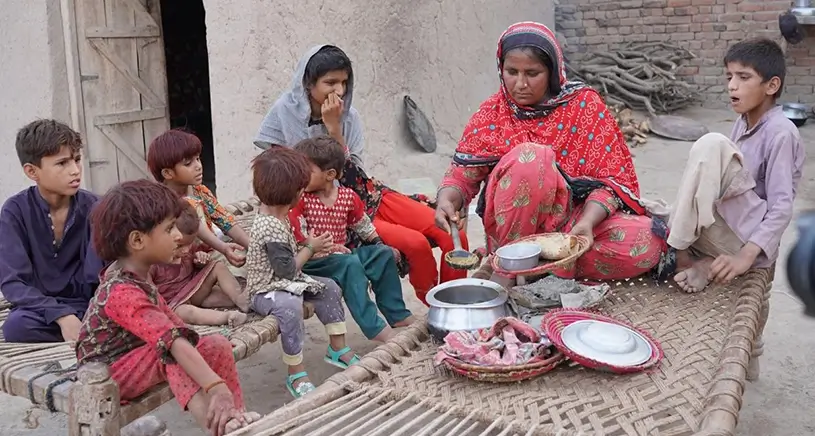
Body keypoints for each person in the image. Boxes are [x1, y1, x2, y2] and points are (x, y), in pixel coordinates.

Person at [434, 22, 664, 281]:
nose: (520, 83)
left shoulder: (584, 106)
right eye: (511, 72)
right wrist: (446, 200)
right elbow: (462, 178)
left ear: (552, 72)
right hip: (513, 230)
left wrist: (586, 224)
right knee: (532, 158)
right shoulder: (493, 113)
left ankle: (539, 267)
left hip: (570, 225)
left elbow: (611, 183)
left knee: (649, 240)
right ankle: (514, 263)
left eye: (532, 73)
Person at [253, 44, 468, 305]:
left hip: (368, 194)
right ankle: (436, 305)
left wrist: (336, 128)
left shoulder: (349, 115)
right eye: (330, 82)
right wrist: (332, 131)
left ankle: (456, 299)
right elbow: (294, 181)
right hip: (337, 210)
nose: (339, 91)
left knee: (449, 229)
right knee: (416, 244)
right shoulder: (284, 115)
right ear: (308, 84)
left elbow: (353, 175)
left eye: (344, 82)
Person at [76, 180, 259, 436]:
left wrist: (201, 353)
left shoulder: (142, 277)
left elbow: (174, 324)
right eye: (169, 228)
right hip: (106, 372)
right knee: (171, 352)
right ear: (138, 240)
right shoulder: (121, 290)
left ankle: (234, 414)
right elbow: (171, 341)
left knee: (215, 344)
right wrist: (215, 386)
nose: (177, 236)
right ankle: (218, 428)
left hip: (142, 355)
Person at [667, 38, 805, 292]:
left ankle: (680, 252)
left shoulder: (781, 133)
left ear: (772, 85)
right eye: (729, 76)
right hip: (726, 225)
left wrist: (746, 257)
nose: (732, 86)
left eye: (743, 77)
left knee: (712, 145)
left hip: (745, 240)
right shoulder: (742, 122)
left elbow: (781, 207)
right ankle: (703, 259)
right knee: (653, 213)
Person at [245, 146, 359, 398]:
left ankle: (338, 349)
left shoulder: (278, 214)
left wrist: (308, 245)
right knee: (290, 305)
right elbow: (286, 271)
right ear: (295, 193)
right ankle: (296, 373)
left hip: (286, 282)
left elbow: (287, 261)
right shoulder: (269, 227)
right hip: (266, 291)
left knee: (329, 287)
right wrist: (310, 246)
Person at [290, 137, 417, 343]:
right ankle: (375, 328)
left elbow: (363, 226)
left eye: (305, 171)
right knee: (349, 263)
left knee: (383, 255)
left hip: (342, 257)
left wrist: (378, 244)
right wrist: (327, 249)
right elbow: (300, 239)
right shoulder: (300, 199)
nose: (298, 177)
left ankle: (398, 314)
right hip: (313, 262)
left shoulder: (347, 197)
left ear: (330, 174)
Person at [0, 120, 104, 343]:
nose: (75, 170)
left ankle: (92, 328)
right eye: (62, 163)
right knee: (16, 327)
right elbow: (13, 283)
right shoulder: (15, 211)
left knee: (116, 315)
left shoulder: (96, 207)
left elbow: (104, 276)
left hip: (89, 305)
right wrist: (61, 315)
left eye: (76, 160)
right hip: (41, 310)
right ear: (32, 171)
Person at [147, 129, 248, 276]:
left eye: (198, 159)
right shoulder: (164, 202)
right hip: (184, 262)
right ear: (168, 173)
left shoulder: (199, 190)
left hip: (212, 250)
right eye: (188, 163)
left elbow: (225, 220)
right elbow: (198, 227)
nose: (198, 166)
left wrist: (251, 244)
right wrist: (223, 248)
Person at [150, 201, 249, 327]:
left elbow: (199, 260)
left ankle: (240, 299)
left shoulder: (188, 247)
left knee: (217, 266)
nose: (185, 250)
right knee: (187, 312)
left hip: (195, 289)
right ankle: (227, 317)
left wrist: (200, 261)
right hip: (175, 304)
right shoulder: (154, 261)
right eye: (180, 246)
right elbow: (150, 294)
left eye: (189, 245)